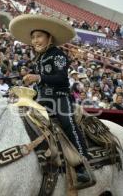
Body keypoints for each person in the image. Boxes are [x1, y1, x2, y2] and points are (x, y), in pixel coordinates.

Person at [9, 14, 91, 185]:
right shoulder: (38, 58)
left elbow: (61, 79)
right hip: (41, 100)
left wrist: (38, 77)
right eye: (33, 37)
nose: (35, 40)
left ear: (49, 38)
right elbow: (40, 84)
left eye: (39, 36)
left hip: (60, 98)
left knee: (67, 122)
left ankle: (82, 165)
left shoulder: (58, 55)